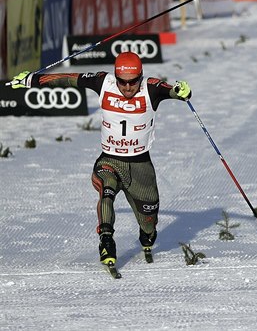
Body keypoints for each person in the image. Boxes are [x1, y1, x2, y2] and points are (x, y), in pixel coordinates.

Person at [10, 52, 192, 266]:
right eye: (122, 82)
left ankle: (146, 236)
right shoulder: (104, 82)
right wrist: (33, 79)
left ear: (140, 77)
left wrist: (181, 92)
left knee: (149, 222)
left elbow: (172, 91)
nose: (127, 88)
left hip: (140, 165)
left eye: (132, 82)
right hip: (110, 160)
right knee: (107, 190)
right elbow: (69, 78)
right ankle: (106, 241)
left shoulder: (150, 88)